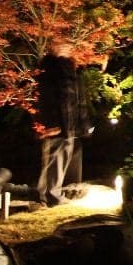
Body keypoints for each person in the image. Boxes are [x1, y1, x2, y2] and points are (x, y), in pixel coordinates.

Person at [35, 45, 93, 206]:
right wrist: (50, 123)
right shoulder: (50, 69)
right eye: (63, 46)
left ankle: (47, 193)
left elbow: (79, 101)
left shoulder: (71, 70)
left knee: (61, 159)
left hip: (70, 123)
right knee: (56, 159)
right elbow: (45, 99)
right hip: (58, 123)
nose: (66, 49)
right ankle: (50, 196)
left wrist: (84, 124)